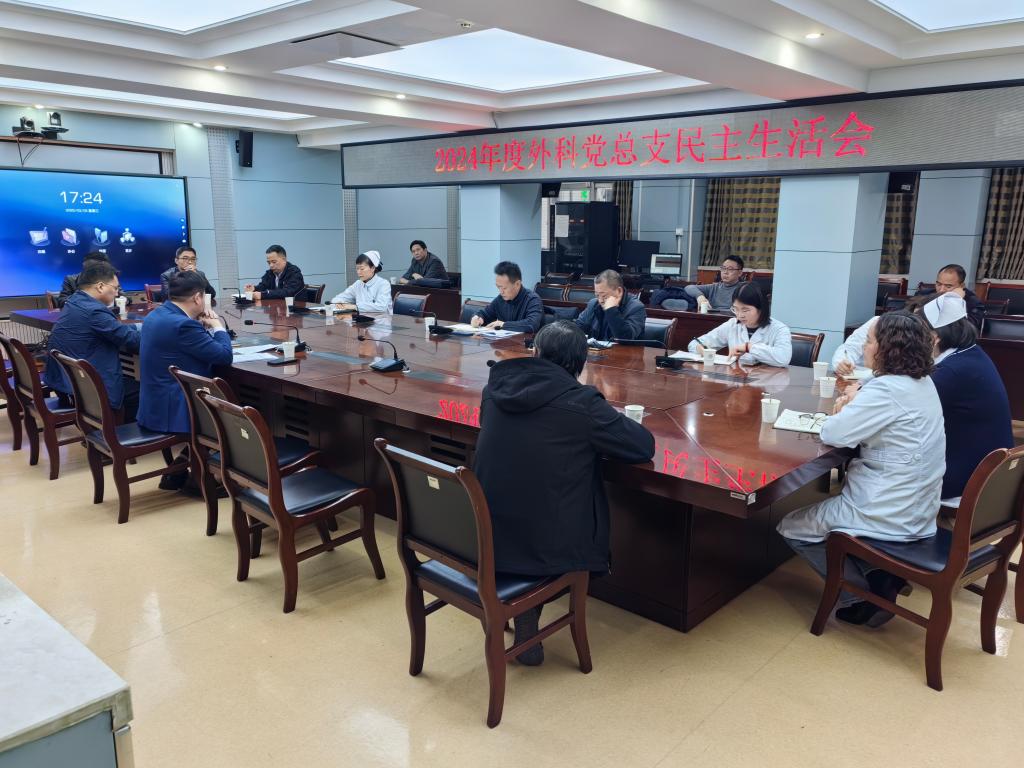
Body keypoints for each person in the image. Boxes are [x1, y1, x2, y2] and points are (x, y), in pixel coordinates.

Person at [474, 320, 655, 664]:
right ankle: (529, 602)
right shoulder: (581, 402)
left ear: (536, 352)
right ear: (581, 364)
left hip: (488, 530)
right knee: (561, 498)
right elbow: (641, 446)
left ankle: (522, 603)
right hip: (547, 541)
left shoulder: (494, 389)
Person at [777, 312, 945, 628]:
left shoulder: (887, 391)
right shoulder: (922, 383)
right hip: (919, 505)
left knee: (792, 526)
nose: (864, 348)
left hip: (886, 509)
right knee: (824, 516)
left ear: (888, 348)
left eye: (869, 341)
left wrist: (847, 406)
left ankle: (860, 598)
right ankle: (881, 577)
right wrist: (860, 395)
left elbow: (834, 433)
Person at [138, 271, 233, 490]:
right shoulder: (183, 325)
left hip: (155, 403)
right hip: (177, 407)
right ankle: (204, 480)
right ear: (198, 298)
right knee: (234, 410)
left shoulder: (156, 315)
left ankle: (179, 467)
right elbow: (224, 356)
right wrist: (217, 327)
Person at [918, 293, 1013, 502]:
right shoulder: (971, 354)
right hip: (991, 475)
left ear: (934, 337)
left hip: (967, 480)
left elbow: (904, 410)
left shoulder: (953, 371)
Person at [43, 262, 141, 420]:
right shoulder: (94, 311)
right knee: (145, 389)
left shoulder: (75, 301)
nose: (117, 293)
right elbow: (133, 341)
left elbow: (114, 329)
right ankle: (123, 433)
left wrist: (139, 327)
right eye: (115, 288)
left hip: (66, 381)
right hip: (90, 387)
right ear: (100, 286)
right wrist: (157, 331)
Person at [687, 283, 792, 366]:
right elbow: (693, 344)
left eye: (745, 310)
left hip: (766, 383)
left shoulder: (779, 329)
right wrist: (700, 348)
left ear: (761, 308)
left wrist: (749, 347)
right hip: (737, 379)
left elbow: (783, 358)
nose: (740, 315)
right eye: (735, 309)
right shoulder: (732, 325)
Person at [470, 261, 544, 333]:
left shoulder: (532, 299)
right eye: (498, 287)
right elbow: (485, 313)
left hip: (525, 341)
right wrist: (478, 317)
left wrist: (503, 325)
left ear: (517, 284)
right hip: (505, 340)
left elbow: (532, 324)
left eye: (504, 288)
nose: (501, 292)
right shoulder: (500, 299)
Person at [650, 255, 745, 311]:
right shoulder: (715, 287)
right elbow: (689, 287)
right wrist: (700, 297)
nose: (725, 272)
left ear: (740, 273)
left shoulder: (744, 289)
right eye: (723, 268)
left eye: (730, 269)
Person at [574, 269, 646, 341]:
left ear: (619, 291)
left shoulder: (636, 308)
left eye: (604, 296)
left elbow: (626, 337)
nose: (600, 300)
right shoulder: (594, 303)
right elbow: (577, 328)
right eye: (597, 295)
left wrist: (611, 309)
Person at [916, 264, 985, 329]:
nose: (941, 290)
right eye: (939, 284)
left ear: (962, 286)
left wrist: (956, 301)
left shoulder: (974, 303)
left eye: (948, 286)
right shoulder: (923, 295)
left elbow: (966, 329)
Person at [57, 251, 131, 308]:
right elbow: (61, 301)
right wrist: (87, 300)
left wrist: (121, 300)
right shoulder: (71, 279)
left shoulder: (110, 279)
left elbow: (126, 298)